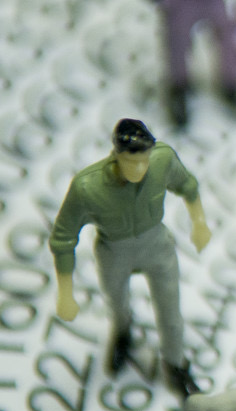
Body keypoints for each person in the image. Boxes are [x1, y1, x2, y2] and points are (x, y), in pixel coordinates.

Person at [50, 119, 210, 396]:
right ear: (116, 155)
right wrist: (66, 291)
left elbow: (188, 185)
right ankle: (123, 332)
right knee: (116, 301)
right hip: (115, 251)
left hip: (156, 245)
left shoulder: (162, 160)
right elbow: (63, 238)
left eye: (144, 160)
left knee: (171, 312)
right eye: (131, 162)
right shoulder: (88, 187)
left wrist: (199, 223)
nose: (139, 169)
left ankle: (175, 364)